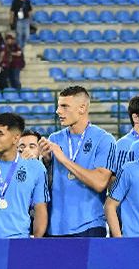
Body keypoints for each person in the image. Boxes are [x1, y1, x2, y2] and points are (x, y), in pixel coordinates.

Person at [40, 85, 115, 237]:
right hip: (54, 228)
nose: (58, 111)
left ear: (82, 108)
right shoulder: (54, 138)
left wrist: (63, 159)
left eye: (64, 106)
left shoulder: (104, 139)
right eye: (58, 106)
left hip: (89, 226)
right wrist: (46, 162)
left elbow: (100, 183)